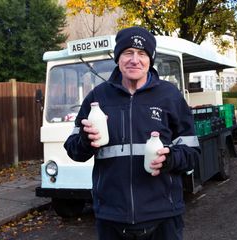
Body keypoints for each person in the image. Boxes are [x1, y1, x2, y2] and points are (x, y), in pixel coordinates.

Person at [64, 26, 200, 240]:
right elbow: (73, 151)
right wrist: (85, 140)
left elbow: (192, 153)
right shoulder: (97, 97)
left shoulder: (170, 96)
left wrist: (171, 158)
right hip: (112, 218)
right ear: (118, 58)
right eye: (128, 52)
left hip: (163, 216)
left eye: (142, 53)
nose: (134, 60)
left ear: (150, 59)